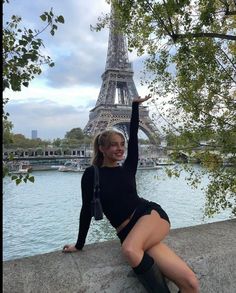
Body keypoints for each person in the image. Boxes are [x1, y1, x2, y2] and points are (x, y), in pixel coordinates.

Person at [63, 95, 199, 293]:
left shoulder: (128, 167)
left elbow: (133, 134)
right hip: (130, 233)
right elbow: (86, 209)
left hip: (149, 215)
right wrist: (80, 244)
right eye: (113, 145)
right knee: (191, 284)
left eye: (121, 144)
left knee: (129, 249)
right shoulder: (92, 174)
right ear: (101, 148)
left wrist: (135, 107)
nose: (119, 148)